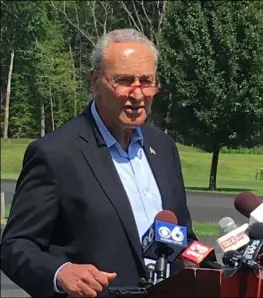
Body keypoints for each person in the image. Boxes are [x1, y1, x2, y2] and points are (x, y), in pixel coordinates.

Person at [0, 29, 200, 298]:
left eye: (147, 81)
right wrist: (60, 272)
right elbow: (15, 246)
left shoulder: (163, 147)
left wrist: (225, 267)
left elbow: (184, 238)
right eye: (124, 81)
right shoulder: (56, 154)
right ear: (95, 81)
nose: (138, 95)